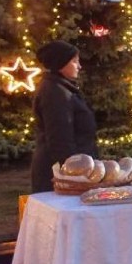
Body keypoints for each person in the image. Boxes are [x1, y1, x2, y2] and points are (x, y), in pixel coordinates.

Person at [30, 40, 97, 193]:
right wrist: (73, 175)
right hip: (60, 176)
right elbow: (60, 139)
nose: (79, 66)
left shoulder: (63, 88)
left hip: (69, 171)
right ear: (60, 63)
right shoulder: (56, 93)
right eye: (74, 61)